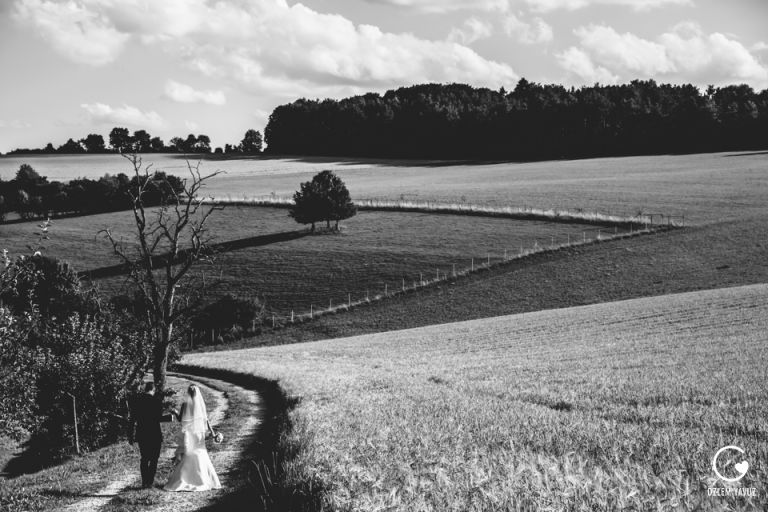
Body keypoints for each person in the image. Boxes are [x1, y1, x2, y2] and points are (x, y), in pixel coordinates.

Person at [164, 384, 221, 492]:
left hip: (190, 433)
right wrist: (213, 433)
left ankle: (185, 478)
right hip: (199, 433)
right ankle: (205, 479)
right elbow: (206, 420)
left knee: (189, 453)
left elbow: (181, 419)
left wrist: (175, 412)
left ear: (188, 393)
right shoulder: (200, 404)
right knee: (201, 452)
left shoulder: (185, 404)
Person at [128, 382, 173, 489]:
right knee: (154, 459)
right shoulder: (157, 401)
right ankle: (149, 482)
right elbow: (157, 418)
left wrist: (130, 435)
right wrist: (167, 418)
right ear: (153, 390)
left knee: (144, 458)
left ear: (145, 389)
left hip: (142, 433)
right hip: (154, 434)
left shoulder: (137, 401)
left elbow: (132, 420)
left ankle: (144, 482)